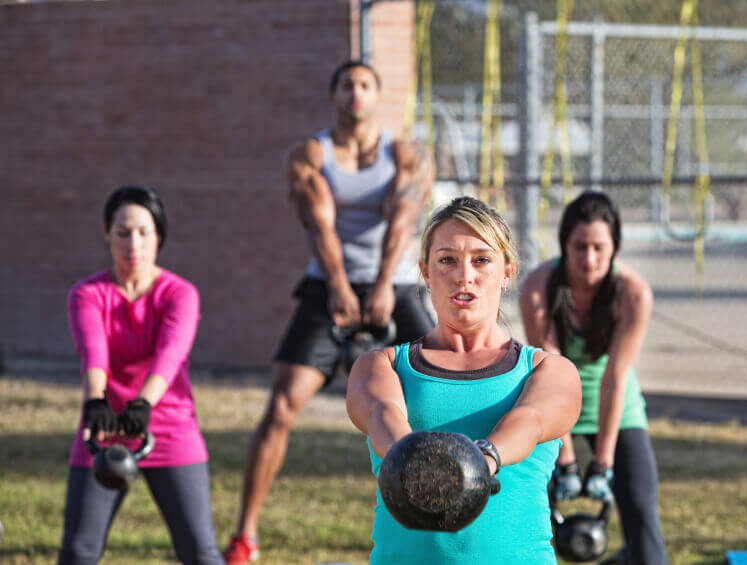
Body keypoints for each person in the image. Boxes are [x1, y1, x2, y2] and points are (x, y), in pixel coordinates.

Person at [224, 60, 435, 564]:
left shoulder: (406, 153)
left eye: (365, 84)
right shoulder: (310, 155)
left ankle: (443, 520)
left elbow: (403, 222)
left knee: (439, 400)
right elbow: (317, 226)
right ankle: (245, 535)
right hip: (327, 287)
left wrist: (383, 284)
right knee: (279, 408)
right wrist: (339, 285)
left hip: (397, 286)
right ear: (334, 94)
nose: (356, 92)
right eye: (347, 84)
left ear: (377, 94)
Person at [346, 196, 582, 563]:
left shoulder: (550, 371)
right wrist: (420, 467)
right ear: (425, 272)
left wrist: (479, 463)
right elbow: (382, 416)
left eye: (482, 260)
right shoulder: (382, 366)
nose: (464, 275)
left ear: (507, 273)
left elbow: (530, 420)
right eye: (446, 260)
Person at [59, 186, 224, 565]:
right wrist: (96, 401)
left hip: (168, 426)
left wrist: (143, 404)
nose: (133, 244)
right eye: (122, 232)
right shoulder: (87, 293)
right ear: (107, 235)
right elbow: (93, 351)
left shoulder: (180, 293)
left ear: (159, 236)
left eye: (144, 232)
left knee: (201, 552)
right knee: (78, 552)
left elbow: (170, 354)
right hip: (105, 426)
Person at [519, 191, 668, 565]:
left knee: (641, 515)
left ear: (614, 247)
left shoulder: (634, 294)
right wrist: (566, 461)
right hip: (552, 405)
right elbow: (550, 375)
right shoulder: (538, 289)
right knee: (521, 518)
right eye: (580, 247)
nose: (590, 259)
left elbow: (615, 378)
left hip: (615, 404)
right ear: (564, 246)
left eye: (600, 248)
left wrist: (602, 463)